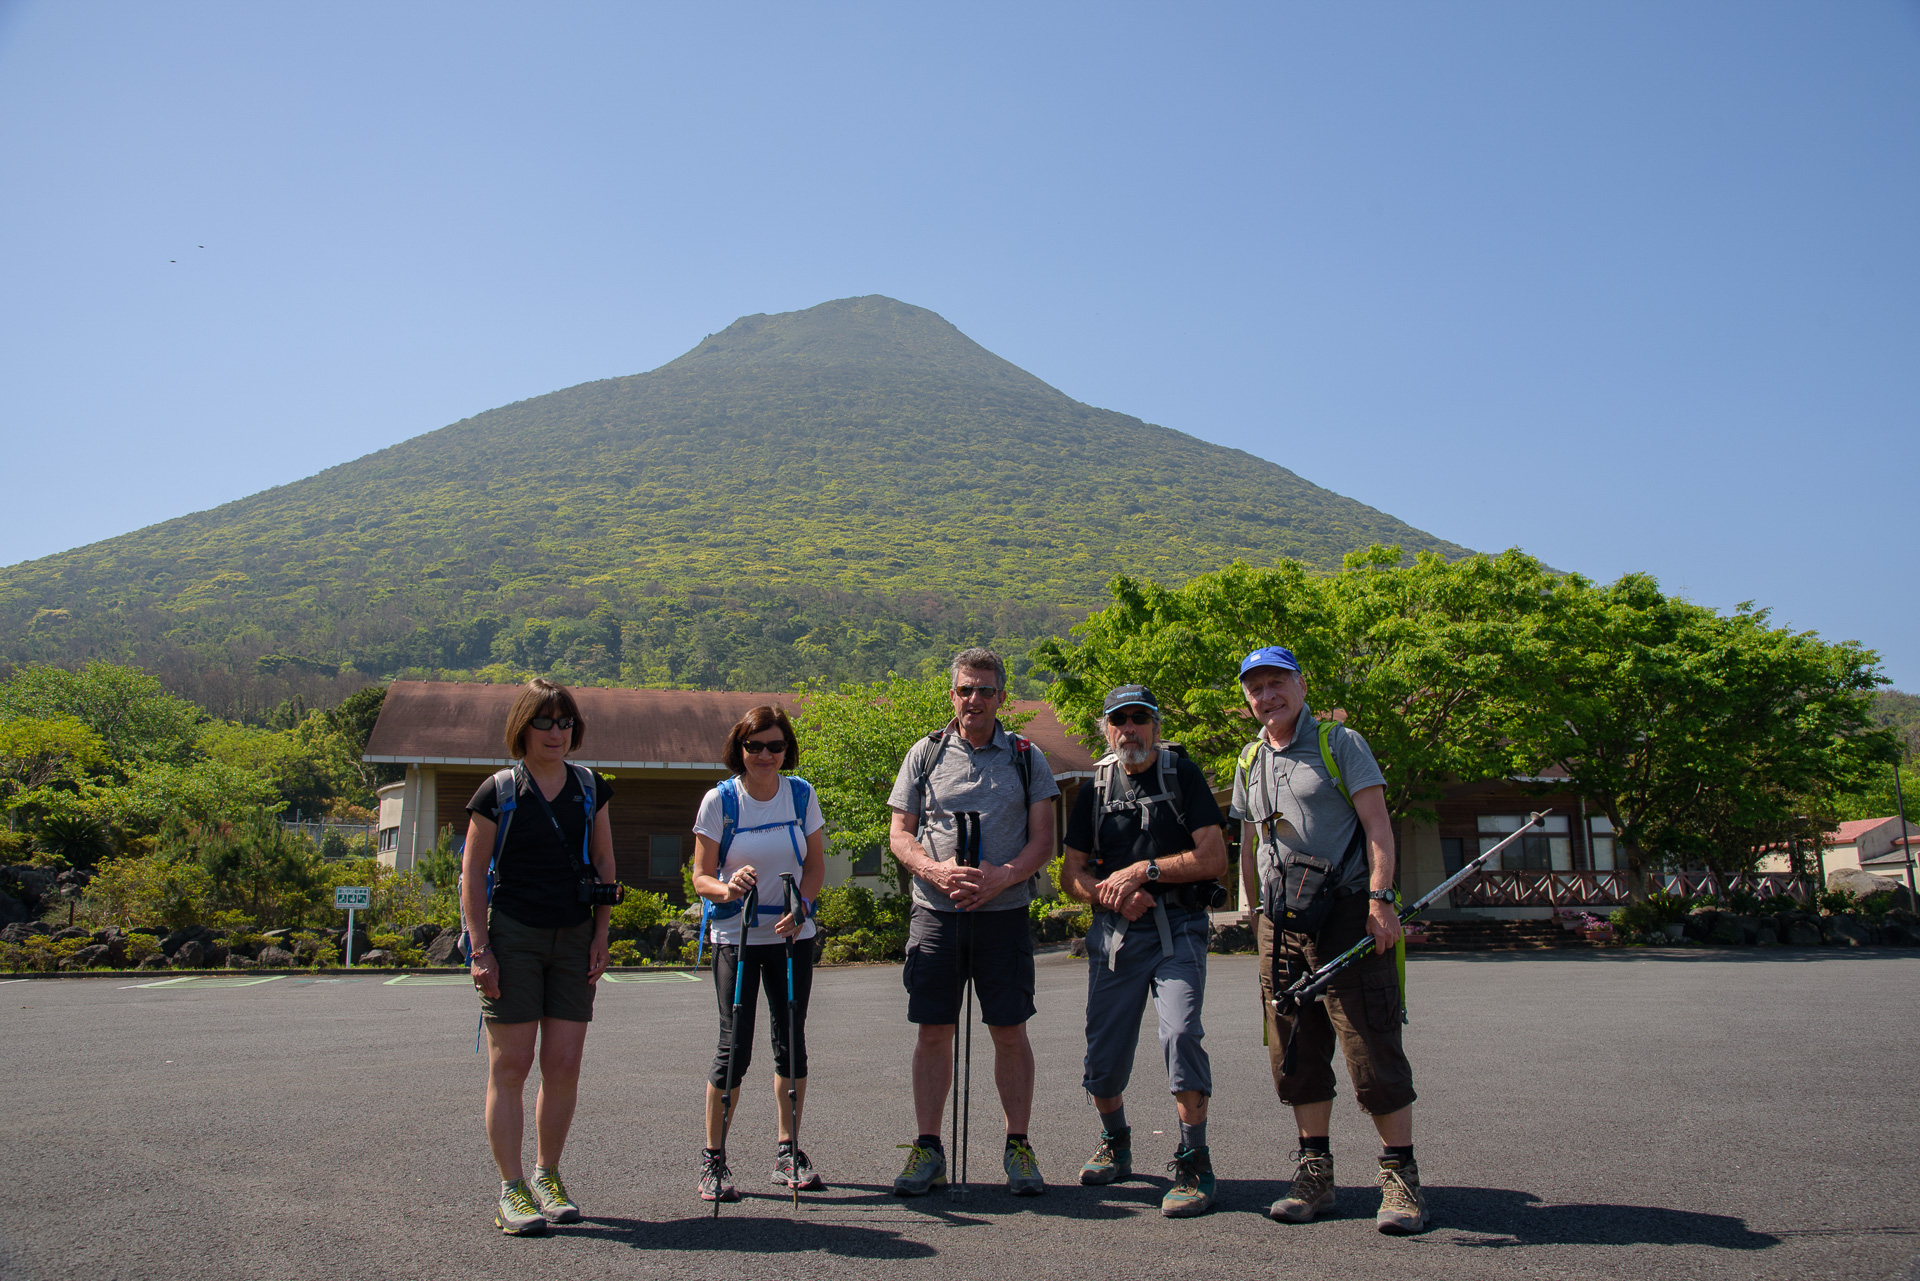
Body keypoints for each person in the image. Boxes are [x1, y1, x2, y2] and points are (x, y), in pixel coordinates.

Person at [1230, 646, 1425, 1234]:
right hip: (1281, 920)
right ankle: (1315, 1171)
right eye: (1256, 687)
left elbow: (1378, 826)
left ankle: (1400, 1177)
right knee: (1294, 1050)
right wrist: (1254, 914)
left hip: (1346, 914)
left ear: (1302, 684)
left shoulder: (1342, 745)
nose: (1267, 695)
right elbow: (1249, 843)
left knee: (1370, 1042)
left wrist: (1380, 899)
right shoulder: (1247, 760)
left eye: (1277, 682)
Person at [886, 647, 1060, 1196]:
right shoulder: (925, 753)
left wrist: (1003, 876)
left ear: (1001, 696)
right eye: (966, 689)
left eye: (985, 689)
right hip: (936, 914)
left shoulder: (1028, 757)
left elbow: (1044, 842)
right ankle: (928, 1148)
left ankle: (1019, 1147)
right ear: (952, 694)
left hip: (1003, 915)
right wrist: (935, 871)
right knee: (934, 1031)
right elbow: (899, 835)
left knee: (1008, 1031)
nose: (975, 699)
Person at [1060, 684, 1228, 1217]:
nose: (1130, 728)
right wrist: (1110, 895)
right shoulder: (1094, 789)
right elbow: (1071, 875)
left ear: (1155, 725)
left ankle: (1194, 1160)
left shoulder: (1183, 775)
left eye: (1140, 718)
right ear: (1106, 729)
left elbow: (1214, 858)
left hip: (1177, 927)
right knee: (1103, 1056)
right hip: (1117, 935)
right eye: (1120, 720)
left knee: (1180, 1033)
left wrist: (1144, 873)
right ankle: (1116, 1141)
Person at [460, 678, 617, 1236]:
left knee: (565, 1063)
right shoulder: (500, 790)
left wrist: (601, 934)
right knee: (511, 1064)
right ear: (522, 727)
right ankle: (511, 1189)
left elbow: (604, 864)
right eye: (545, 722)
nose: (556, 732)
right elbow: (473, 876)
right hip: (513, 937)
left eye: (565, 722)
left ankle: (547, 1175)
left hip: (574, 938)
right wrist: (479, 949)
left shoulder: (589, 787)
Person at [689, 704, 827, 1203]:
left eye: (775, 745)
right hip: (738, 939)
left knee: (791, 1042)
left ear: (786, 748)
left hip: (792, 935)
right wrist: (728, 888)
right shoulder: (720, 801)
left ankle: (788, 1151)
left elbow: (814, 865)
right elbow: (700, 876)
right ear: (740, 749)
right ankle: (714, 1160)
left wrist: (804, 905)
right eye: (755, 746)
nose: (765, 755)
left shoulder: (801, 794)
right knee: (734, 1048)